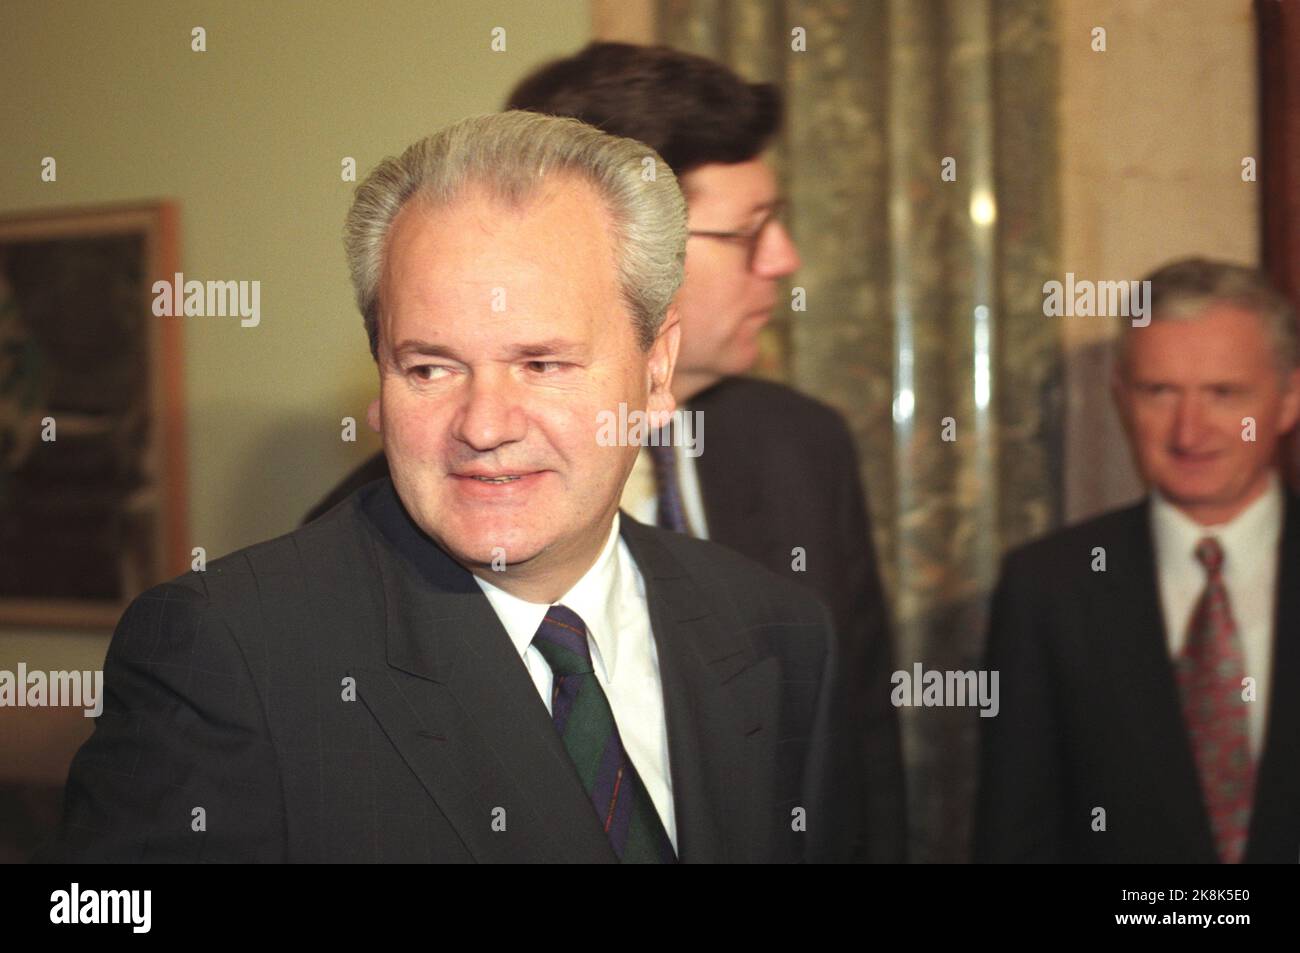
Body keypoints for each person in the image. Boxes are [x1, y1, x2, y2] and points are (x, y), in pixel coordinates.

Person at [35, 112, 869, 863]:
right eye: (430, 366)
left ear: (656, 373)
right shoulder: (229, 654)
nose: (483, 424)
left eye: (542, 364)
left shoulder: (778, 633)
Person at [305, 43, 906, 862]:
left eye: (542, 364)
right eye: (748, 231)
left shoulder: (802, 446)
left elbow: (857, 774)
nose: (784, 259)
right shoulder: (387, 526)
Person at [974, 258, 1300, 863]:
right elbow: (1015, 836)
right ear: (1122, 401)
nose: (1189, 431)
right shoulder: (1048, 589)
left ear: (1287, 401)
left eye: (1224, 394)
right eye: (1159, 393)